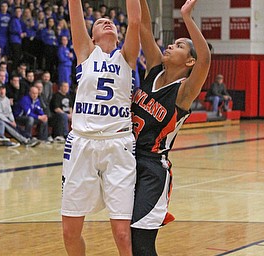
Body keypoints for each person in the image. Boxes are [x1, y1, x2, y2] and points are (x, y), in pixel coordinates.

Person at [130, 0, 211, 255]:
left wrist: (186, 15)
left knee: (141, 243)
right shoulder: (154, 67)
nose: (169, 45)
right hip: (125, 160)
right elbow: (143, 25)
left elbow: (205, 58)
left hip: (153, 168)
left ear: (189, 62)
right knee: (124, 237)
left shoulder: (183, 92)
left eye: (179, 46)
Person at [61, 0, 141, 255]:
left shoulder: (127, 56)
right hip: (82, 144)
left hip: (119, 145)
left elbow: (136, 21)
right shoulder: (86, 52)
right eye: (99, 22)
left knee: (121, 233)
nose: (107, 22)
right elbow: (75, 11)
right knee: (69, 232)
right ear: (92, 37)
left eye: (112, 23)